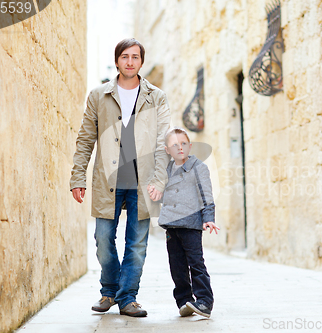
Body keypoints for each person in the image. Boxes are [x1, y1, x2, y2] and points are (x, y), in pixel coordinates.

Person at [70, 38, 170, 317]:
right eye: (124, 56)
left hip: (143, 181)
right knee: (103, 240)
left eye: (135, 57)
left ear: (141, 61)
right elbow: (86, 138)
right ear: (117, 61)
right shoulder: (98, 95)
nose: (129, 61)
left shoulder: (157, 97)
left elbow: (163, 142)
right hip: (108, 179)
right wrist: (78, 176)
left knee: (137, 245)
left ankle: (127, 298)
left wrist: (159, 180)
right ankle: (109, 289)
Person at [150, 127, 219, 318]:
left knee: (196, 263)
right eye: (174, 145)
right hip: (172, 226)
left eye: (183, 143)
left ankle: (205, 301)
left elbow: (207, 197)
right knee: (176, 265)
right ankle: (184, 301)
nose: (180, 148)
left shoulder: (199, 167)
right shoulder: (167, 170)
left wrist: (209, 219)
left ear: (190, 146)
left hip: (190, 225)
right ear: (167, 150)